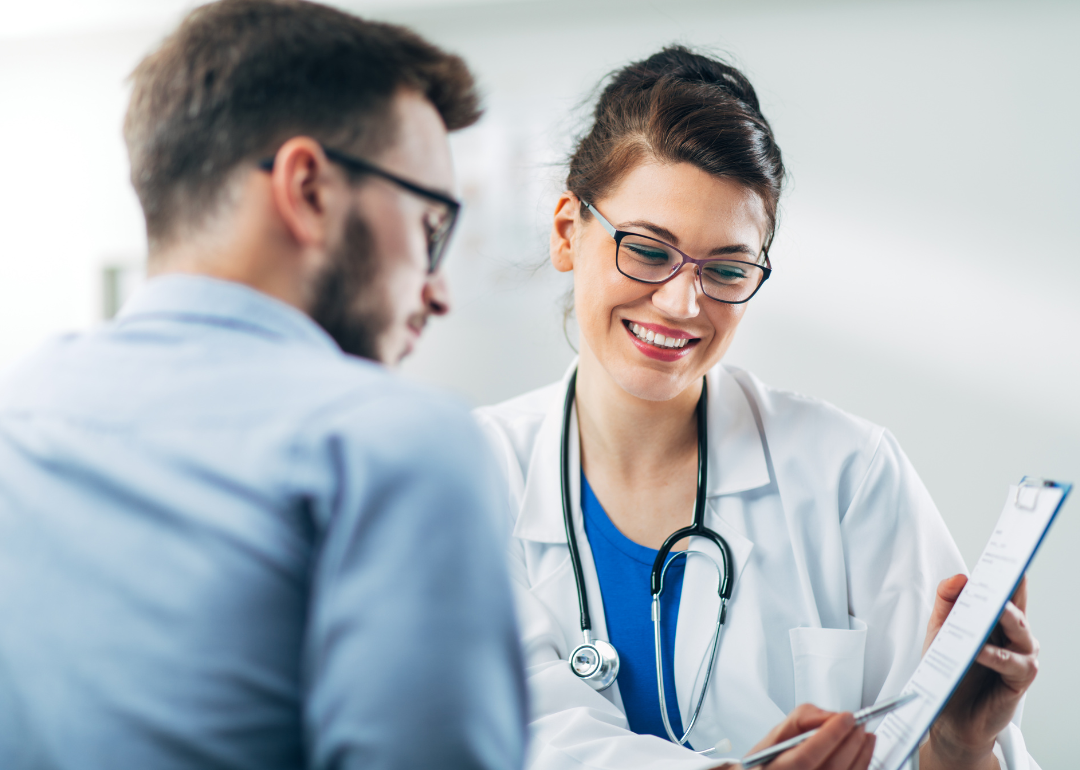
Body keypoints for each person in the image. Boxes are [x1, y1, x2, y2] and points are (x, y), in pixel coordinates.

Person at [474, 47, 1040, 770]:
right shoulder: (468, 476)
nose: (682, 303)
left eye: (727, 269)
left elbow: (940, 744)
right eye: (648, 251)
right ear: (566, 232)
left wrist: (960, 747)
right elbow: (500, 739)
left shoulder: (848, 476)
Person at [0, 1, 526, 768]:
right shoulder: (396, 444)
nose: (439, 291)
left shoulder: (20, 411)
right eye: (430, 228)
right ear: (309, 188)